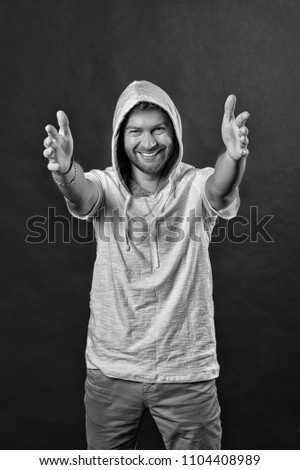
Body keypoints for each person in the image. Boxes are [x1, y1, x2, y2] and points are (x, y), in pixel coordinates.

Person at [43, 80, 249, 450]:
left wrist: (233, 157)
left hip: (186, 368)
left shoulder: (194, 185)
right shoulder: (104, 186)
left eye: (158, 129)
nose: (149, 142)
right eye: (136, 131)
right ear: (120, 139)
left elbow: (219, 187)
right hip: (112, 370)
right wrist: (65, 170)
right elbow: (82, 193)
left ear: (174, 132)